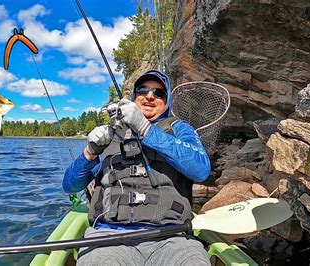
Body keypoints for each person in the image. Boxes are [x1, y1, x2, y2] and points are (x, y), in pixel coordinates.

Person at [63, 70, 211, 265]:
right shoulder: (110, 134)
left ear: (167, 102)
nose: (150, 96)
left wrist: (145, 129)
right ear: (134, 97)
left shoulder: (179, 128)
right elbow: (70, 186)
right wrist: (90, 152)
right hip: (108, 238)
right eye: (143, 90)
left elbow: (201, 169)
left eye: (159, 93)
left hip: (172, 239)